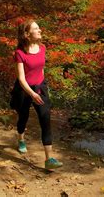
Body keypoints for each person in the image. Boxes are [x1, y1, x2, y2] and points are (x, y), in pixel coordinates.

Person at [10, 20, 63, 169]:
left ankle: (49, 159)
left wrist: (42, 87)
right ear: (27, 34)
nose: (40, 30)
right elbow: (21, 78)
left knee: (45, 119)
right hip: (24, 89)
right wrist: (32, 94)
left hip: (40, 87)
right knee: (23, 117)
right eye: (36, 28)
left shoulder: (43, 48)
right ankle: (21, 138)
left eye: (39, 28)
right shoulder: (19, 53)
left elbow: (41, 69)